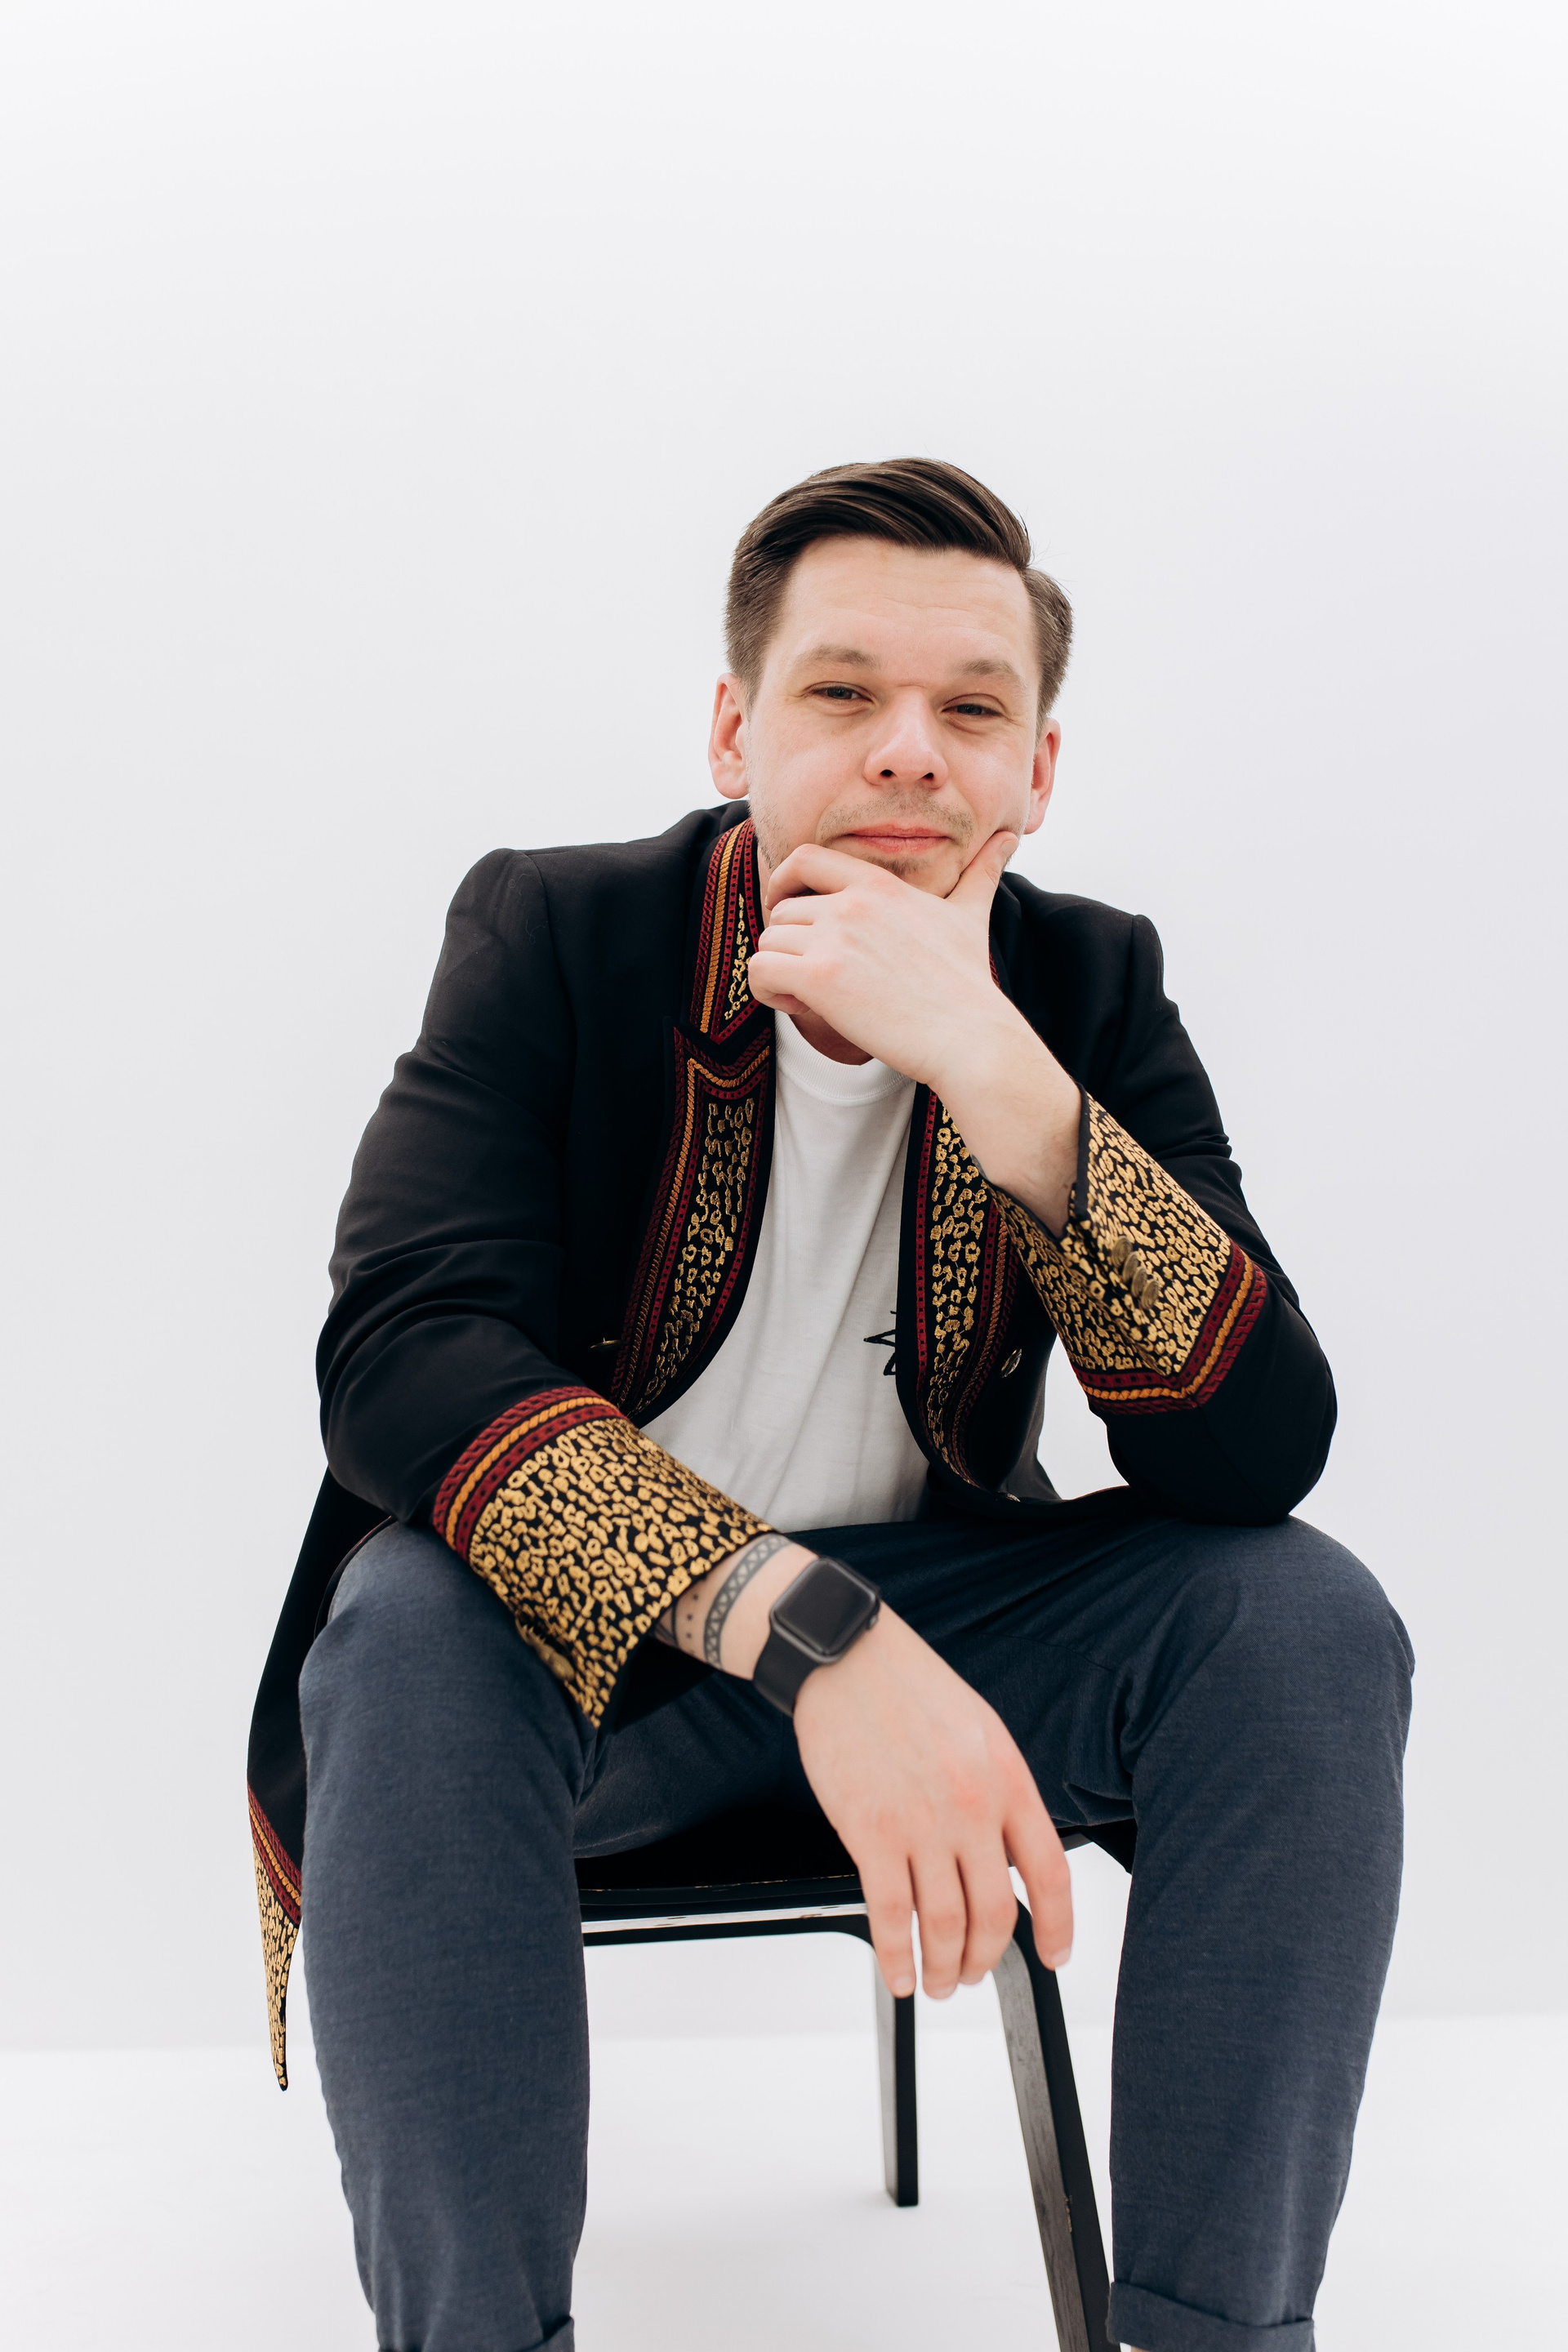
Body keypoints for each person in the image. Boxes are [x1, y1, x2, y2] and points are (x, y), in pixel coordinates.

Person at [247, 457, 1412, 2352]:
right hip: (593, 1675)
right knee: (402, 1620)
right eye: (842, 693)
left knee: (1302, 1617)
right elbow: (403, 1353)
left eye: (973, 710)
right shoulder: (559, 931)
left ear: (1039, 771)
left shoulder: (1082, 984)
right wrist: (813, 1634)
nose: (909, 753)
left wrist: (1004, 1078)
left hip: (960, 1639)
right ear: (735, 731)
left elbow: (1251, 1451)